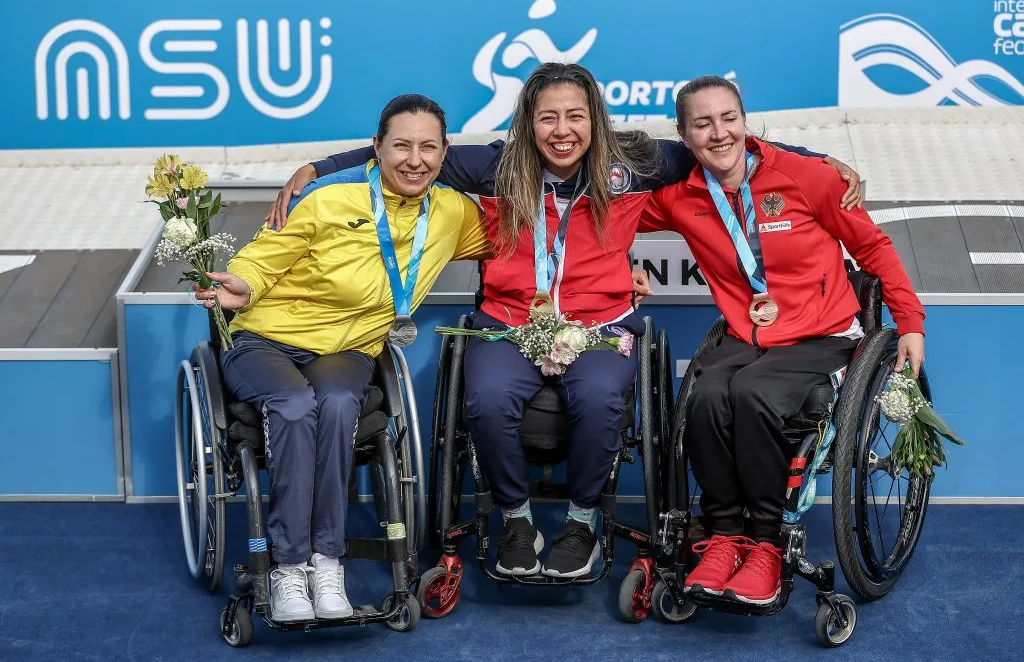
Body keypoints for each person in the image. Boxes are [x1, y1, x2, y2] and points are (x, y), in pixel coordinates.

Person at [266, 63, 861, 580]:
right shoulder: (495, 166)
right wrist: (318, 168)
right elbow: (405, 156)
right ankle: (517, 521)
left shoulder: (634, 160)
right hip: (510, 322)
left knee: (604, 397)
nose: (562, 131)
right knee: (488, 398)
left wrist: (819, 161)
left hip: (601, 324)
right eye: (548, 117)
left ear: (594, 120)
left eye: (575, 116)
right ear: (528, 121)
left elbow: (725, 145)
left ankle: (582, 524)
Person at [193, 94, 491, 622]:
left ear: (446, 154)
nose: (414, 159)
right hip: (267, 340)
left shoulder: (453, 212)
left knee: (335, 405)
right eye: (401, 146)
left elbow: (524, 240)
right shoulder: (328, 199)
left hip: (349, 351)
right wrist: (241, 284)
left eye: (428, 148)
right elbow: (264, 258)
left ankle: (326, 562)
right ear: (375, 149)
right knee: (292, 405)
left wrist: (613, 274)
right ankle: (287, 568)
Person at [641, 75, 925, 606]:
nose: (719, 133)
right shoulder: (680, 199)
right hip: (748, 336)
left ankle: (766, 544)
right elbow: (599, 222)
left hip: (823, 334)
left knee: (752, 394)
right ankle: (724, 536)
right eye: (702, 124)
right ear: (684, 137)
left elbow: (875, 247)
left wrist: (910, 321)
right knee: (701, 397)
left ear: (745, 122)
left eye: (729, 118)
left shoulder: (806, 177)